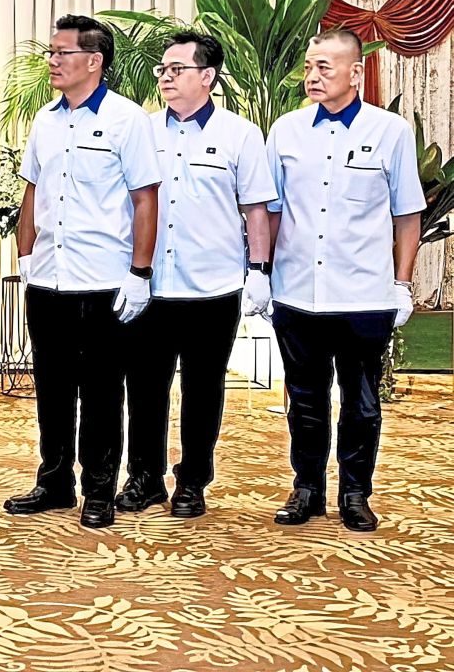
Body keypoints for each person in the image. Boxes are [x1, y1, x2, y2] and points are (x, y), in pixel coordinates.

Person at [3, 14, 160, 529]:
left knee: (100, 390)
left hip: (103, 279)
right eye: (51, 52)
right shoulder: (45, 120)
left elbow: (144, 200)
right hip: (48, 276)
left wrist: (140, 272)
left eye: (61, 53)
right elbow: (31, 193)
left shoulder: (126, 119)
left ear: (93, 60)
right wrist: (26, 257)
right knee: (50, 386)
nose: (51, 61)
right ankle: (53, 482)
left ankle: (99, 488)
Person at [266, 29, 423, 532]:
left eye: (324, 68)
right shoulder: (285, 130)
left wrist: (401, 284)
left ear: (355, 72)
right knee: (305, 401)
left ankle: (355, 493)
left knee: (360, 403)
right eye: (309, 67)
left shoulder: (390, 131)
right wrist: (261, 272)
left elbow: (407, 215)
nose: (312, 76)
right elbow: (270, 210)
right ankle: (306, 488)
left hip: (364, 294)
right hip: (296, 292)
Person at [116, 32, 277, 519]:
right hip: (149, 283)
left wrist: (259, 271)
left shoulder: (240, 135)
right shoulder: (140, 130)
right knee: (144, 386)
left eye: (176, 68)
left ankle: (193, 481)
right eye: (162, 69)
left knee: (204, 387)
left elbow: (255, 211)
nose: (163, 76)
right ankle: (144, 476)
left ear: (206, 76)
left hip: (213, 285)